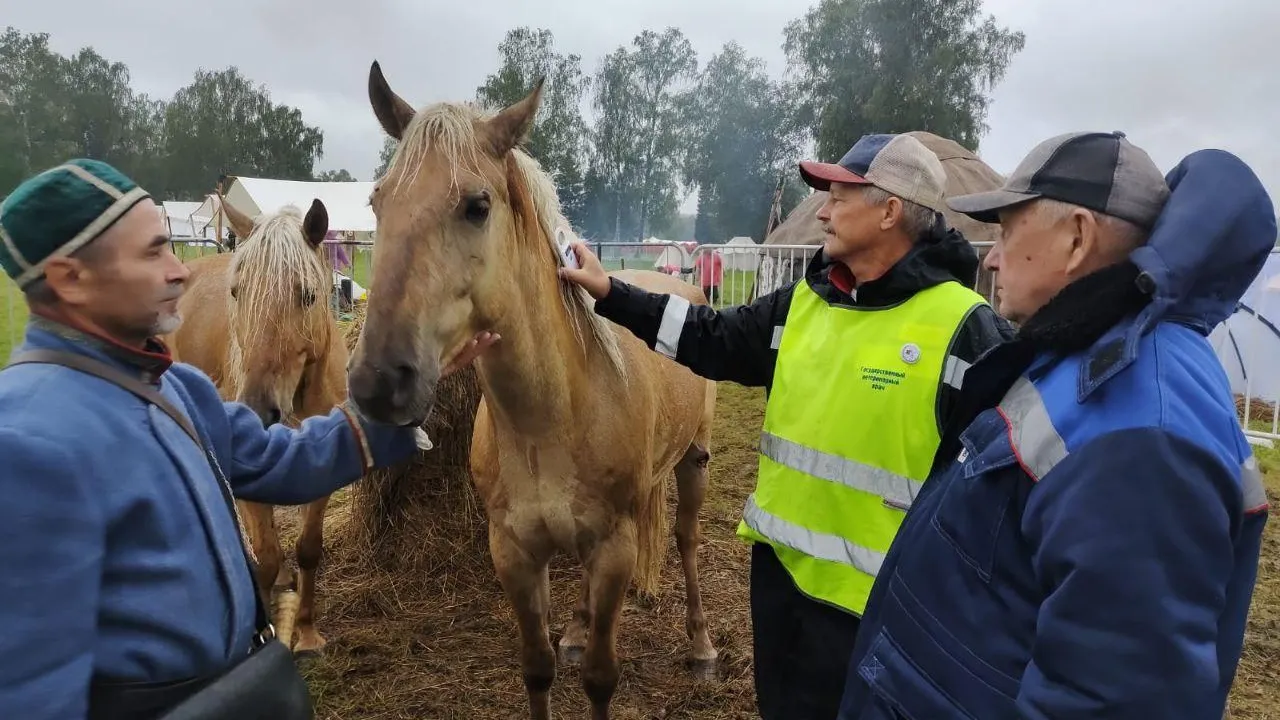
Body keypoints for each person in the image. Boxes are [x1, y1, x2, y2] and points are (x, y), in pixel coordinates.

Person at [0, 159, 496, 719]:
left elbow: (277, 459)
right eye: (152, 252)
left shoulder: (176, 387)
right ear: (70, 279)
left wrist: (400, 397)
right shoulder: (24, 444)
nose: (182, 273)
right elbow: (30, 693)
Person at [560, 133, 1012, 719]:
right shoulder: (803, 304)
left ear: (889, 211)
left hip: (884, 610)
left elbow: (999, 502)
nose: (822, 211)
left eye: (838, 197)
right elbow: (708, 336)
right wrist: (609, 292)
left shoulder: (966, 333)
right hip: (782, 587)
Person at [835, 132, 1275, 720]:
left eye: (1009, 230)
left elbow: (1113, 698)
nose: (990, 257)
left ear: (1076, 238)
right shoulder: (1087, 360)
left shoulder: (1145, 429)